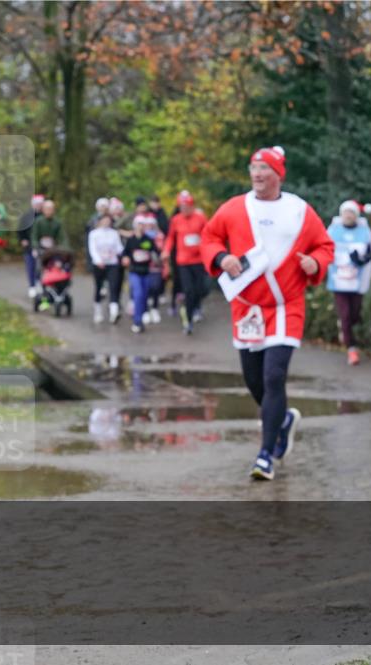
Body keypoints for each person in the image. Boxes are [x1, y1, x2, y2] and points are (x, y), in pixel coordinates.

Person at [200, 146, 334, 481]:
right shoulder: (234, 207)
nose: (258, 174)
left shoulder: (299, 210)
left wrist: (315, 263)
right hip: (247, 308)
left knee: (274, 376)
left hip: (287, 305)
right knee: (254, 379)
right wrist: (220, 259)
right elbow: (210, 237)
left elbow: (325, 245)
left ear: (278, 174)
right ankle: (283, 420)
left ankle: (265, 455)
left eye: (265, 168)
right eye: (254, 168)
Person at [327, 200, 371, 366]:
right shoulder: (333, 231)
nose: (348, 216)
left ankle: (347, 328)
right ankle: (351, 350)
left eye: (352, 213)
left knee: (354, 314)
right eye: (346, 212)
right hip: (338, 281)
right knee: (345, 315)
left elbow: (370, 254)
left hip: (357, 281)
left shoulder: (365, 232)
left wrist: (360, 260)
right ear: (341, 215)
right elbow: (324, 251)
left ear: (356, 215)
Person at [163, 190, 209, 335]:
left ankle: (196, 307)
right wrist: (166, 250)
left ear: (192, 205)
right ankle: (188, 320)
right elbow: (170, 237)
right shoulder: (176, 220)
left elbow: (208, 235)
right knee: (188, 290)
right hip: (183, 261)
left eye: (187, 206)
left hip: (199, 260)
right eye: (182, 207)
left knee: (200, 288)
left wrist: (206, 249)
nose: (184, 209)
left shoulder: (200, 218)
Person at [122, 216, 161, 333]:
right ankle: (137, 321)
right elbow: (125, 253)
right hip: (134, 272)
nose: (141, 226)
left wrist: (157, 258)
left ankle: (142, 316)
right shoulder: (131, 240)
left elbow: (156, 253)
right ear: (135, 225)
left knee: (144, 296)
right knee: (138, 294)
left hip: (146, 272)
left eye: (143, 224)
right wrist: (125, 259)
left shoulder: (148, 239)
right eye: (139, 224)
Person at [87, 214, 125, 324]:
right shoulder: (94, 234)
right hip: (99, 264)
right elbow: (92, 248)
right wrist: (98, 260)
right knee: (99, 287)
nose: (106, 222)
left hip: (112, 263)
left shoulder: (114, 233)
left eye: (108, 221)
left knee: (114, 286)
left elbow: (118, 247)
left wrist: (125, 255)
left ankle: (114, 312)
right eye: (104, 220)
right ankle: (98, 310)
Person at [18, 194, 44, 298]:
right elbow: (21, 229)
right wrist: (23, 240)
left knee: (41, 266)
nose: (39, 206)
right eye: (37, 204)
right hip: (29, 246)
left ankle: (39, 283)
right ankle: (32, 286)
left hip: (42, 246)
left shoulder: (44, 216)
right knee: (31, 266)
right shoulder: (26, 216)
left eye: (40, 204)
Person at [85, 197, 111, 272]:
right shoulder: (93, 218)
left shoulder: (111, 218)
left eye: (105, 206)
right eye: (102, 206)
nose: (103, 208)